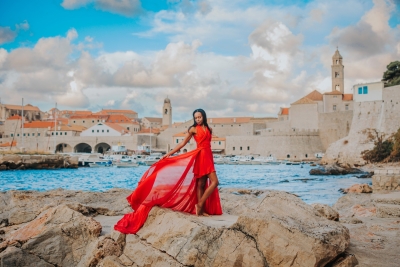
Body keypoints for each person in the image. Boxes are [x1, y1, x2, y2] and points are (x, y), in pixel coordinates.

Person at [114, 108, 222, 234]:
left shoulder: (209, 129)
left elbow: (208, 145)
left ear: (204, 116)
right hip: (201, 156)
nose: (198, 119)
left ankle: (201, 209)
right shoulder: (193, 129)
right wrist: (169, 154)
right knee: (208, 183)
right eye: (196, 117)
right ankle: (200, 206)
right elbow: (182, 144)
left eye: (199, 117)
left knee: (202, 184)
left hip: (208, 156)